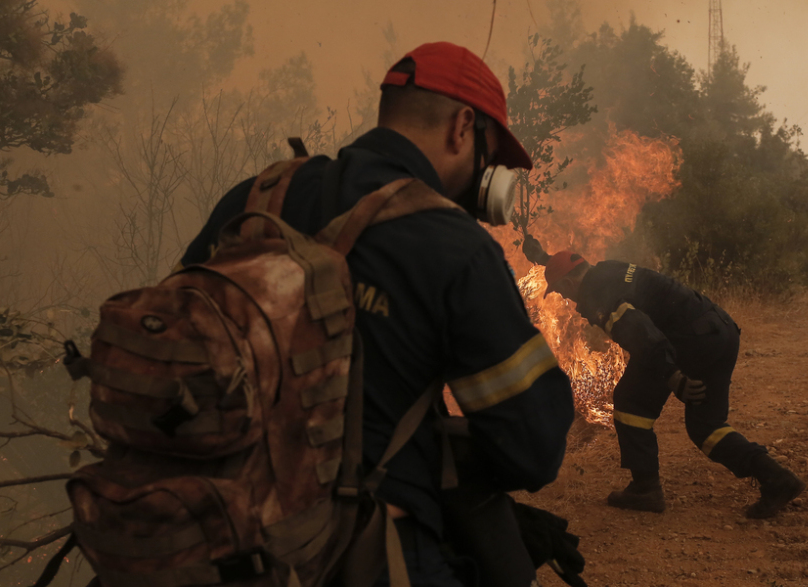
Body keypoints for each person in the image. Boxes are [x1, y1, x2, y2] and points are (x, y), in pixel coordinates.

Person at [179, 43, 575, 586]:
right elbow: (532, 448)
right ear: (463, 127)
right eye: (489, 156)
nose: (487, 172)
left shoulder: (254, 199)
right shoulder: (454, 245)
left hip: (205, 534)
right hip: (355, 552)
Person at [539, 249, 805, 518]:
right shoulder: (606, 269)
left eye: (561, 291)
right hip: (720, 331)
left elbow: (642, 333)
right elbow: (571, 269)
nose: (565, 297)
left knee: (630, 402)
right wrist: (543, 258)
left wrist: (672, 375)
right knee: (706, 427)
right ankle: (776, 478)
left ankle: (645, 489)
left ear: (569, 283)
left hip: (687, 342)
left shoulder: (599, 295)